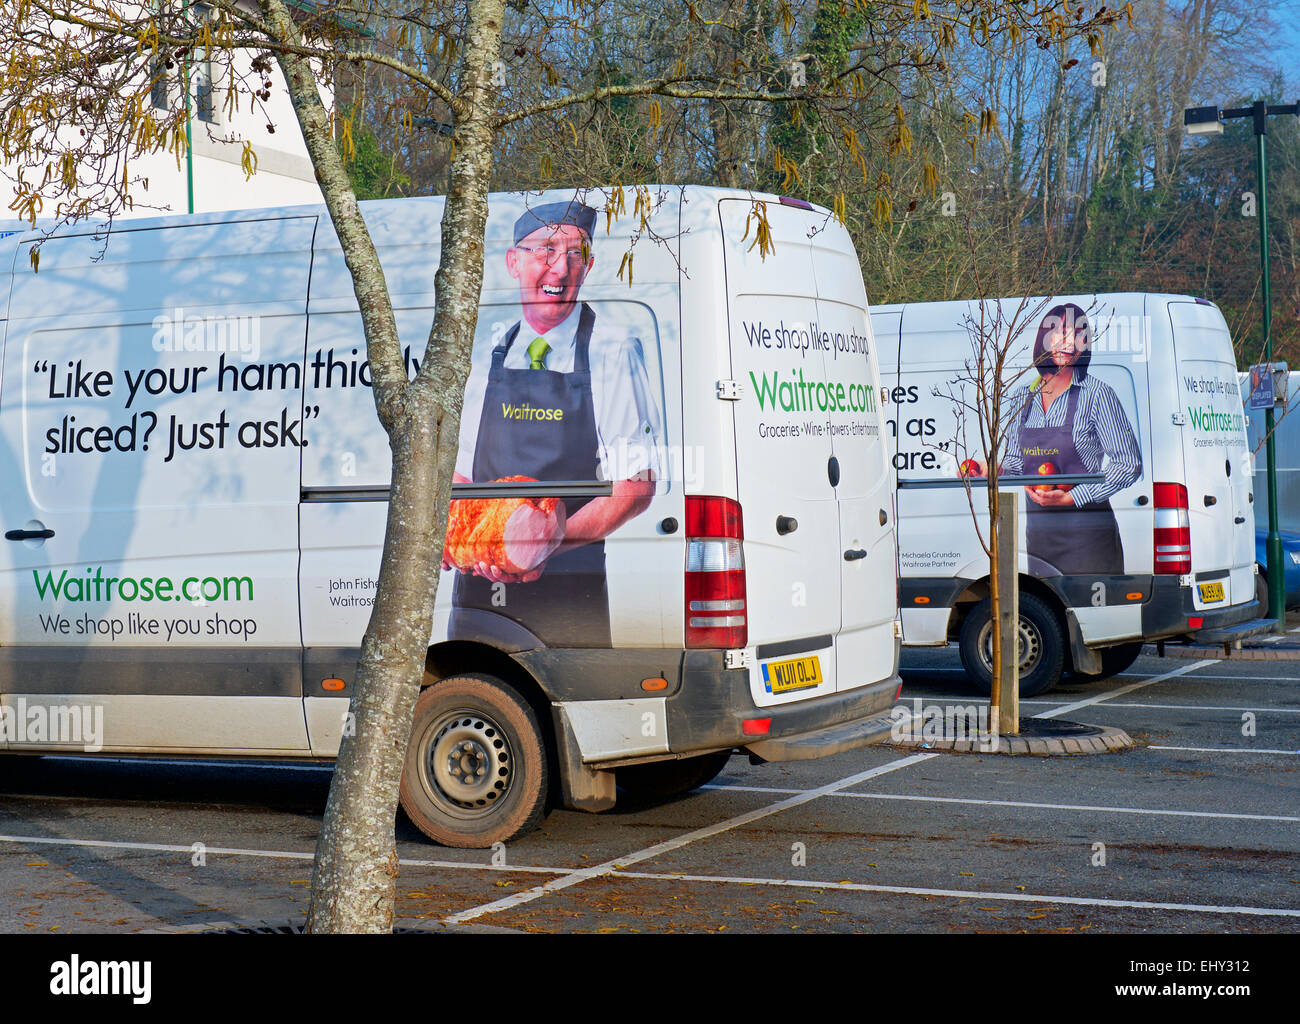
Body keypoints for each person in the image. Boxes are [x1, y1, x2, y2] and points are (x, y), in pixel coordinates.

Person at [446, 200, 663, 647]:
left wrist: (544, 542)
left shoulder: (613, 350)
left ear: (589, 265)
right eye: (546, 251)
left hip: (570, 592)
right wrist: (461, 537)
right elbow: (460, 474)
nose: (559, 270)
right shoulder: (486, 355)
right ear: (514, 262)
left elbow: (635, 485)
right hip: (477, 596)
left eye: (574, 254)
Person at [967, 303, 1142, 575]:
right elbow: (1017, 464)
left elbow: (1129, 464)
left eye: (1078, 335)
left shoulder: (1097, 395)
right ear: (1044, 338)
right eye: (1060, 332)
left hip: (1088, 536)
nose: (1069, 343)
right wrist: (989, 469)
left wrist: (1074, 497)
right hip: (1039, 539)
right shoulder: (1021, 398)